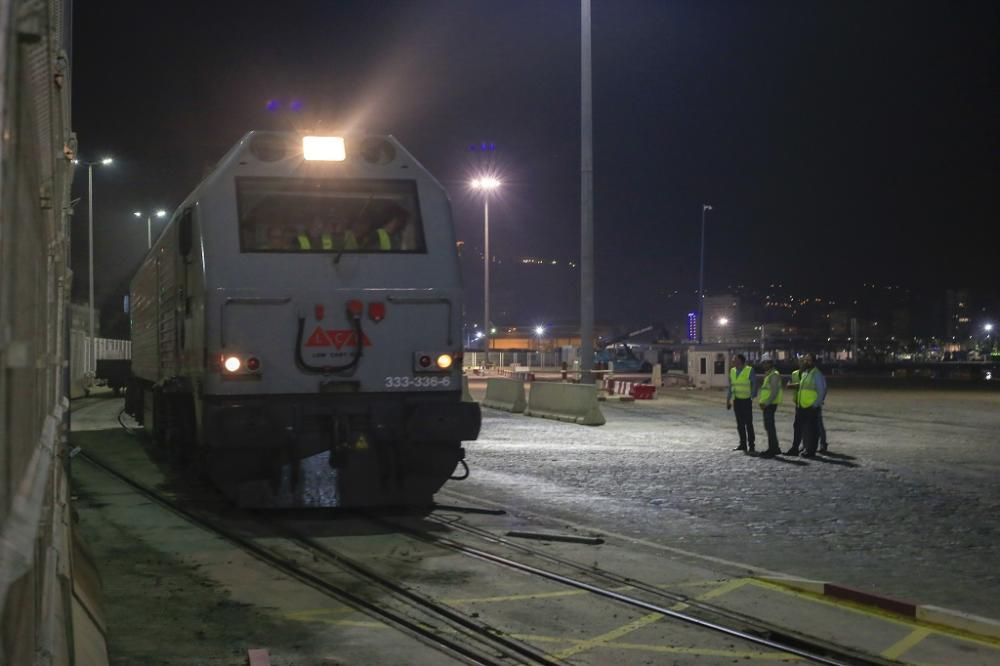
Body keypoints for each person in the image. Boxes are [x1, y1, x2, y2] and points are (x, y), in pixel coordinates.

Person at [796, 353, 827, 458]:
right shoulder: (805, 373)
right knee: (805, 429)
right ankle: (806, 447)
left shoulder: (816, 374)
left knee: (812, 430)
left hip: (811, 406)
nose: (806, 362)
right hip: (803, 406)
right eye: (805, 360)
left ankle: (810, 450)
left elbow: (821, 390)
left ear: (813, 362)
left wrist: (815, 404)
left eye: (809, 360)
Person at [726, 353, 757, 453]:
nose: (733, 361)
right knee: (740, 424)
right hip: (737, 401)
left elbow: (754, 384)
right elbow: (731, 386)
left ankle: (751, 445)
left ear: (740, 360)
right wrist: (728, 399)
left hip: (746, 401)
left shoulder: (749, 370)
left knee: (748, 424)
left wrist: (752, 396)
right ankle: (743, 444)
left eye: (734, 359)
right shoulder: (732, 371)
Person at [757, 354, 783, 457]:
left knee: (770, 427)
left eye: (764, 363)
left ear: (769, 363)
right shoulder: (769, 374)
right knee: (768, 427)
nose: (763, 365)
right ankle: (774, 447)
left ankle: (773, 449)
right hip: (767, 404)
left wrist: (766, 403)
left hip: (770, 405)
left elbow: (774, 392)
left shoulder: (774, 375)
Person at [784, 356, 805, 455]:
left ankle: (801, 446)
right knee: (798, 425)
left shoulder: (809, 373)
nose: (801, 363)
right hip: (798, 402)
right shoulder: (795, 374)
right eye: (800, 361)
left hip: (807, 402)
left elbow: (802, 385)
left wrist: (791, 385)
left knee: (805, 426)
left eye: (803, 361)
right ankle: (798, 446)